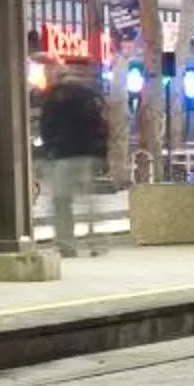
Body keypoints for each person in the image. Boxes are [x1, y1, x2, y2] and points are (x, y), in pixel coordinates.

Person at [38, 60, 111, 257]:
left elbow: (46, 126)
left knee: (61, 201)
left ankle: (66, 244)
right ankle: (96, 242)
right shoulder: (91, 96)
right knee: (89, 201)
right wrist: (101, 153)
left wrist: (49, 149)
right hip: (87, 153)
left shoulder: (54, 96)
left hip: (64, 155)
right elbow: (102, 126)